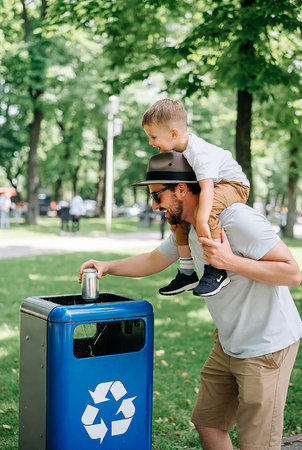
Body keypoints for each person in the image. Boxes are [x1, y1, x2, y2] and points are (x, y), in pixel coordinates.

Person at [79, 151, 302, 450]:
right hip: (228, 342)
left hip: (266, 346)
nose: (154, 205)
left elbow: (292, 273)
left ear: (181, 188)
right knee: (209, 423)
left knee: (257, 444)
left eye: (158, 196)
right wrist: (108, 266)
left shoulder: (236, 219)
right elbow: (152, 260)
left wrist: (229, 261)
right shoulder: (188, 228)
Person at [142, 99, 250, 297]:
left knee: (204, 213)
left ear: (173, 133)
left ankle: (216, 269)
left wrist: (201, 220)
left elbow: (207, 188)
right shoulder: (179, 152)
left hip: (233, 184)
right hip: (215, 185)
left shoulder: (199, 153)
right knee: (184, 221)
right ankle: (187, 273)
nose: (151, 142)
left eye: (153, 137)